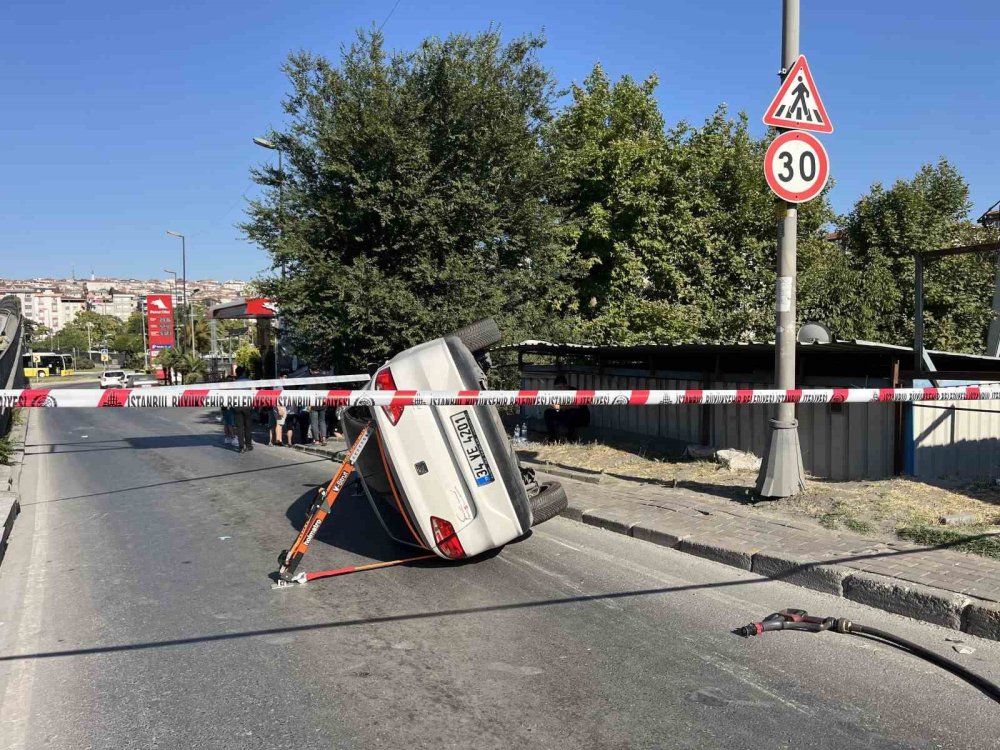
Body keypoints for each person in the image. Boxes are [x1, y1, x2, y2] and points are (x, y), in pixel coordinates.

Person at [544, 374, 590, 442]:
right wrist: (559, 407)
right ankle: (552, 438)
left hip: (581, 417)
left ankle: (569, 438)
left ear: (566, 385)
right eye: (557, 388)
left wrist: (560, 407)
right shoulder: (559, 394)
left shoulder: (575, 391)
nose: (559, 390)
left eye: (560, 387)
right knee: (548, 413)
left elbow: (575, 406)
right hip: (567, 414)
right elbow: (552, 406)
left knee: (571, 413)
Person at [232, 366, 254, 453]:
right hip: (247, 406)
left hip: (237, 406)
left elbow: (231, 396)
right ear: (244, 373)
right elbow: (254, 392)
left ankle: (241, 447)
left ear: (237, 373)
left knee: (239, 427)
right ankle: (248, 445)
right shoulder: (249, 382)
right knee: (248, 426)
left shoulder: (234, 383)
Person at [220, 375, 237, 447]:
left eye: (232, 380)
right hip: (227, 408)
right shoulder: (227, 389)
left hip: (225, 407)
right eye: (230, 380)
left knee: (226, 423)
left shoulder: (224, 388)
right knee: (230, 423)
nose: (231, 381)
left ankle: (227, 438)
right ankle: (233, 438)